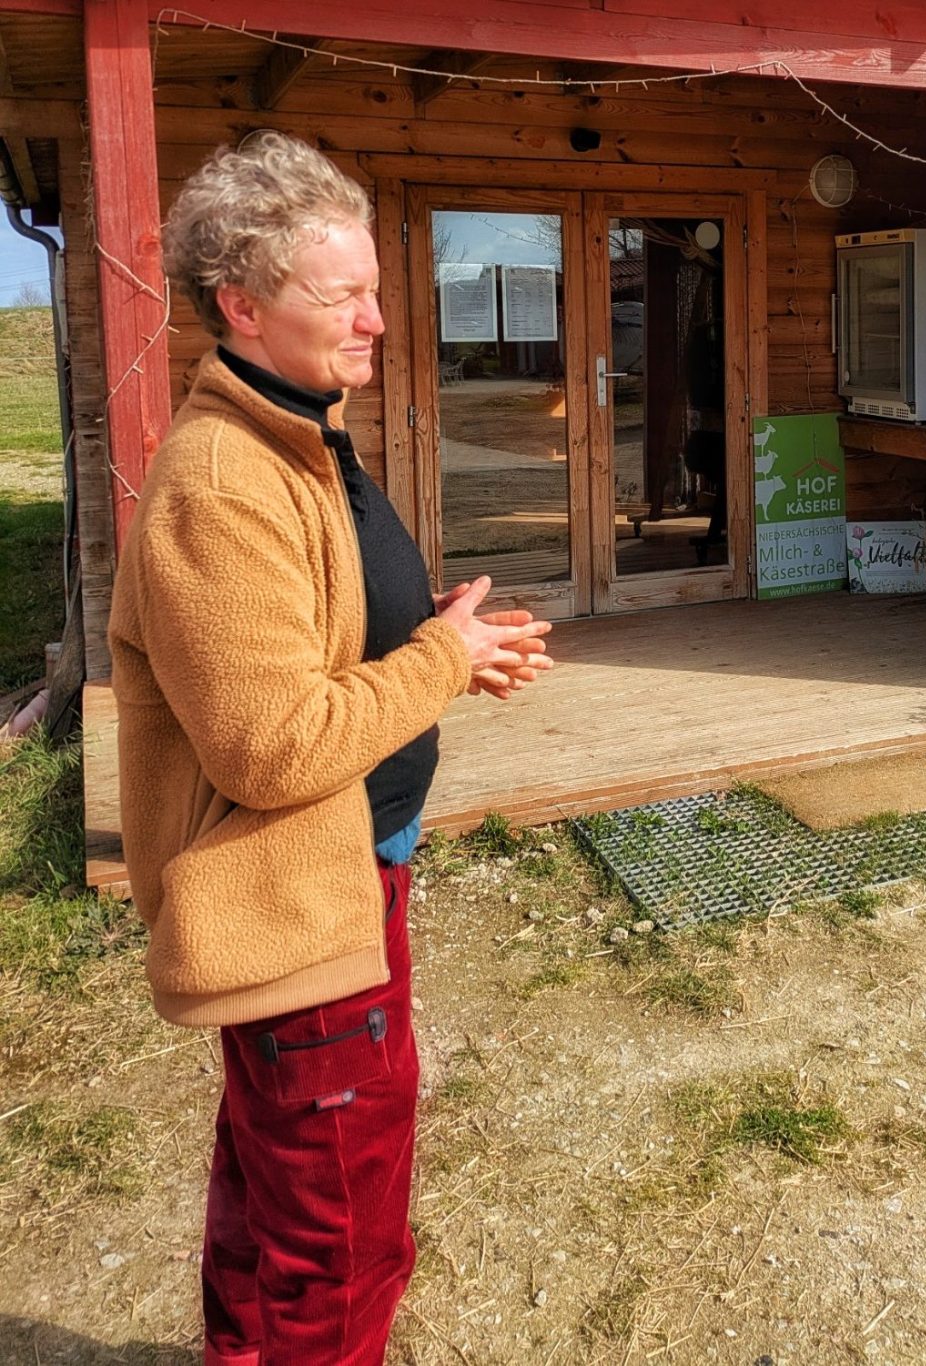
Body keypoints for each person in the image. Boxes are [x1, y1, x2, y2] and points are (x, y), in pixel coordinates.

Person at [108, 132, 553, 1365]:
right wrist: (441, 665)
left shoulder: (303, 429)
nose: (376, 319)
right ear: (243, 305)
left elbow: (321, 645)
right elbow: (268, 745)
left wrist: (449, 645)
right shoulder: (221, 478)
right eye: (344, 294)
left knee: (270, 1200)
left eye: (374, 288)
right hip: (292, 900)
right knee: (340, 1235)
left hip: (343, 875)